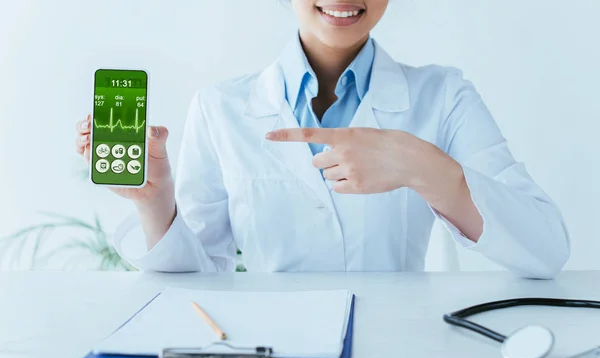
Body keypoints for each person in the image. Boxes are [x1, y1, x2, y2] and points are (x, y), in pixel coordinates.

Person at [75, 0, 569, 278]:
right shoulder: (219, 107)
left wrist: (422, 165)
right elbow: (198, 278)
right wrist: (154, 202)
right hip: (268, 355)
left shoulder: (445, 96)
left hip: (398, 356)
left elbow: (545, 249)